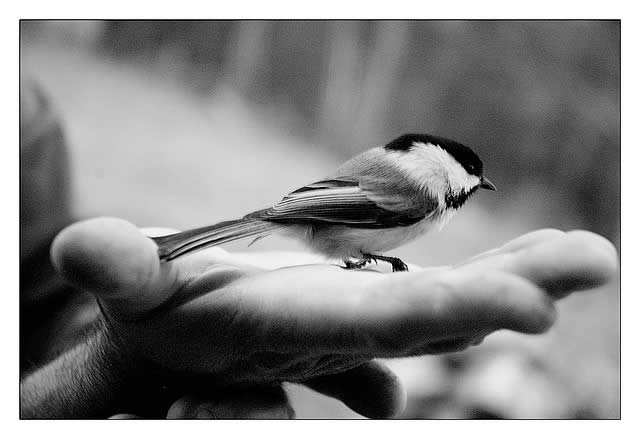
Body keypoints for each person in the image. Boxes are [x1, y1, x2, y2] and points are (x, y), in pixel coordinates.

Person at [19, 81, 618, 419]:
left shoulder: (401, 172)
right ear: (448, 168)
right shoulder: (423, 193)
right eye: (473, 174)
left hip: (317, 216)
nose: (475, 185)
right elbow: (344, 209)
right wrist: (351, 253)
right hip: (319, 216)